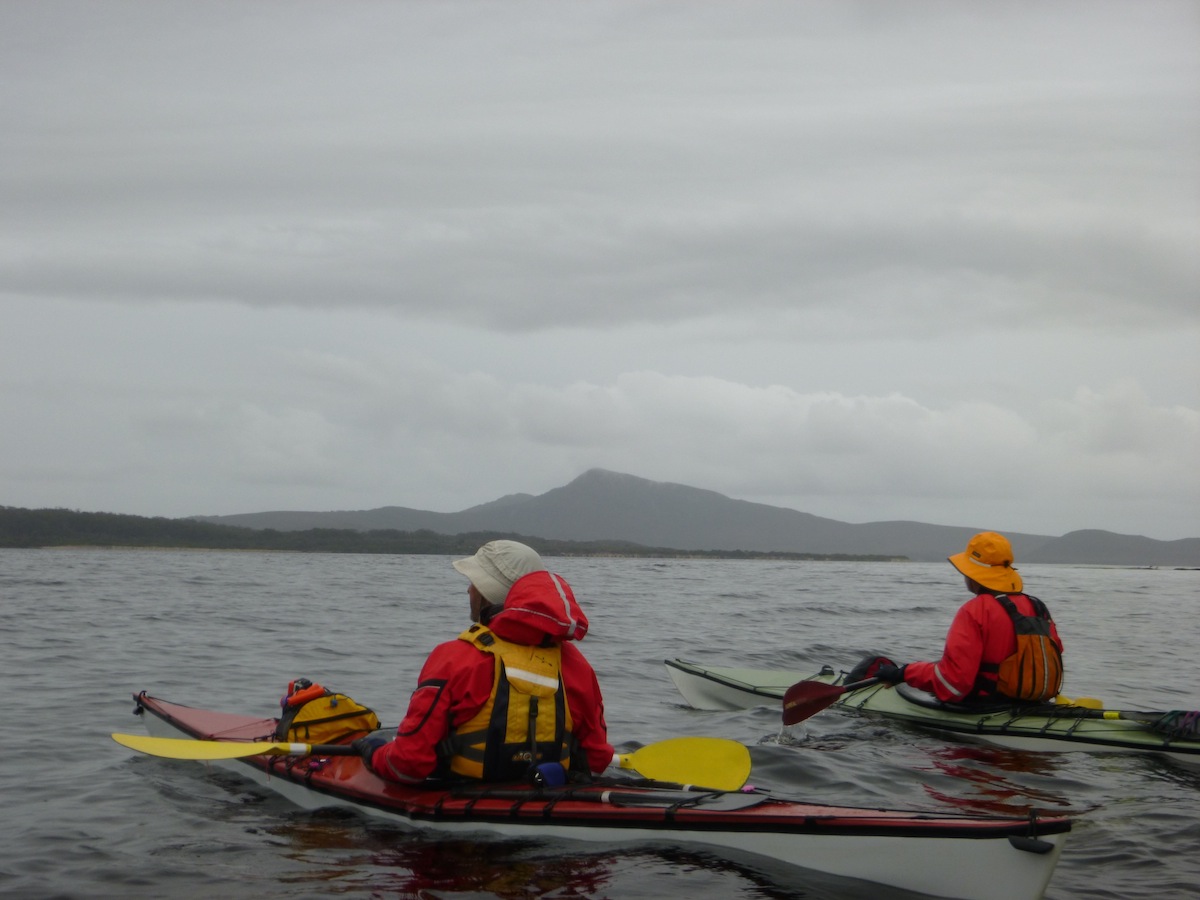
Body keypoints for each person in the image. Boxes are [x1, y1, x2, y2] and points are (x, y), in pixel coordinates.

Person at [356, 540, 615, 784]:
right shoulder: (577, 666)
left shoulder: (454, 658)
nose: (469, 588)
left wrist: (374, 752)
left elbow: (407, 765)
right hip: (548, 799)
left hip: (459, 807)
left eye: (474, 582)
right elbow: (597, 759)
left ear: (487, 592)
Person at [857, 531, 1064, 704]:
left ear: (973, 575)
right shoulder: (1038, 606)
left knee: (874, 663)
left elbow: (953, 684)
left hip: (984, 706)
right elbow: (1051, 653)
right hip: (1034, 703)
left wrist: (904, 673)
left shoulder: (974, 611)